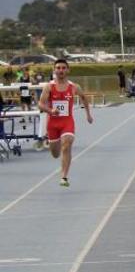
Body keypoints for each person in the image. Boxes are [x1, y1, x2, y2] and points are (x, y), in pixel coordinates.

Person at [37, 59, 94, 187]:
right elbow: (40, 104)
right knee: (55, 153)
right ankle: (50, 141)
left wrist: (88, 115)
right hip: (52, 124)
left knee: (67, 144)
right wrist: (51, 110)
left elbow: (84, 98)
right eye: (58, 68)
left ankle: (64, 176)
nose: (61, 70)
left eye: (63, 68)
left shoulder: (74, 87)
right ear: (54, 70)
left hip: (67, 122)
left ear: (68, 70)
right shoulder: (49, 86)